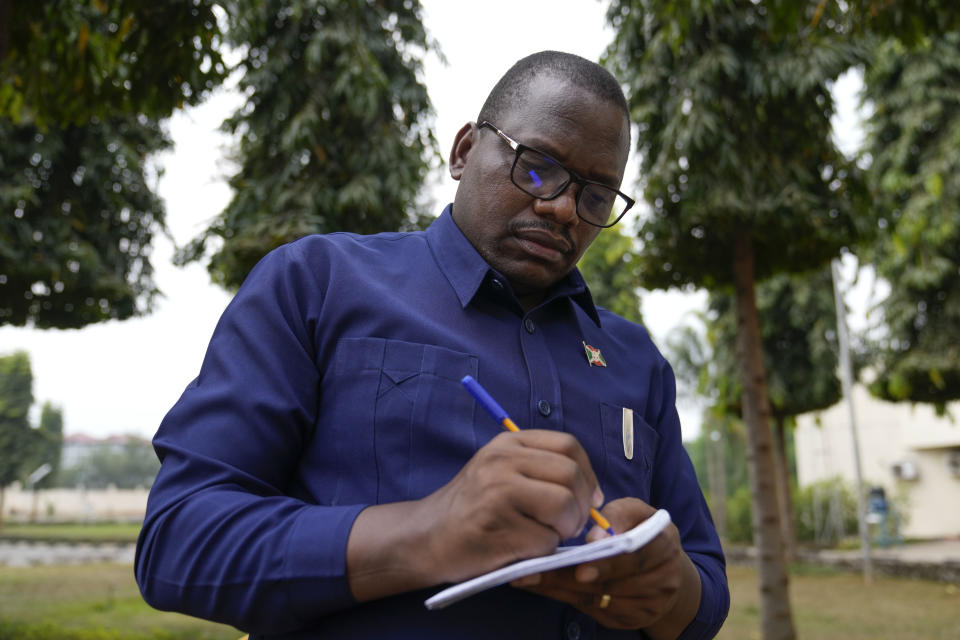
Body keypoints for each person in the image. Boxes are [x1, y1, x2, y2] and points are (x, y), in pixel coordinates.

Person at [135, 51, 729, 639]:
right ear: (465, 150)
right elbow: (179, 540)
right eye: (537, 166)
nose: (562, 208)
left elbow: (705, 590)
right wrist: (429, 531)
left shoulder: (635, 360)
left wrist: (664, 586)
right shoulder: (317, 283)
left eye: (596, 196)